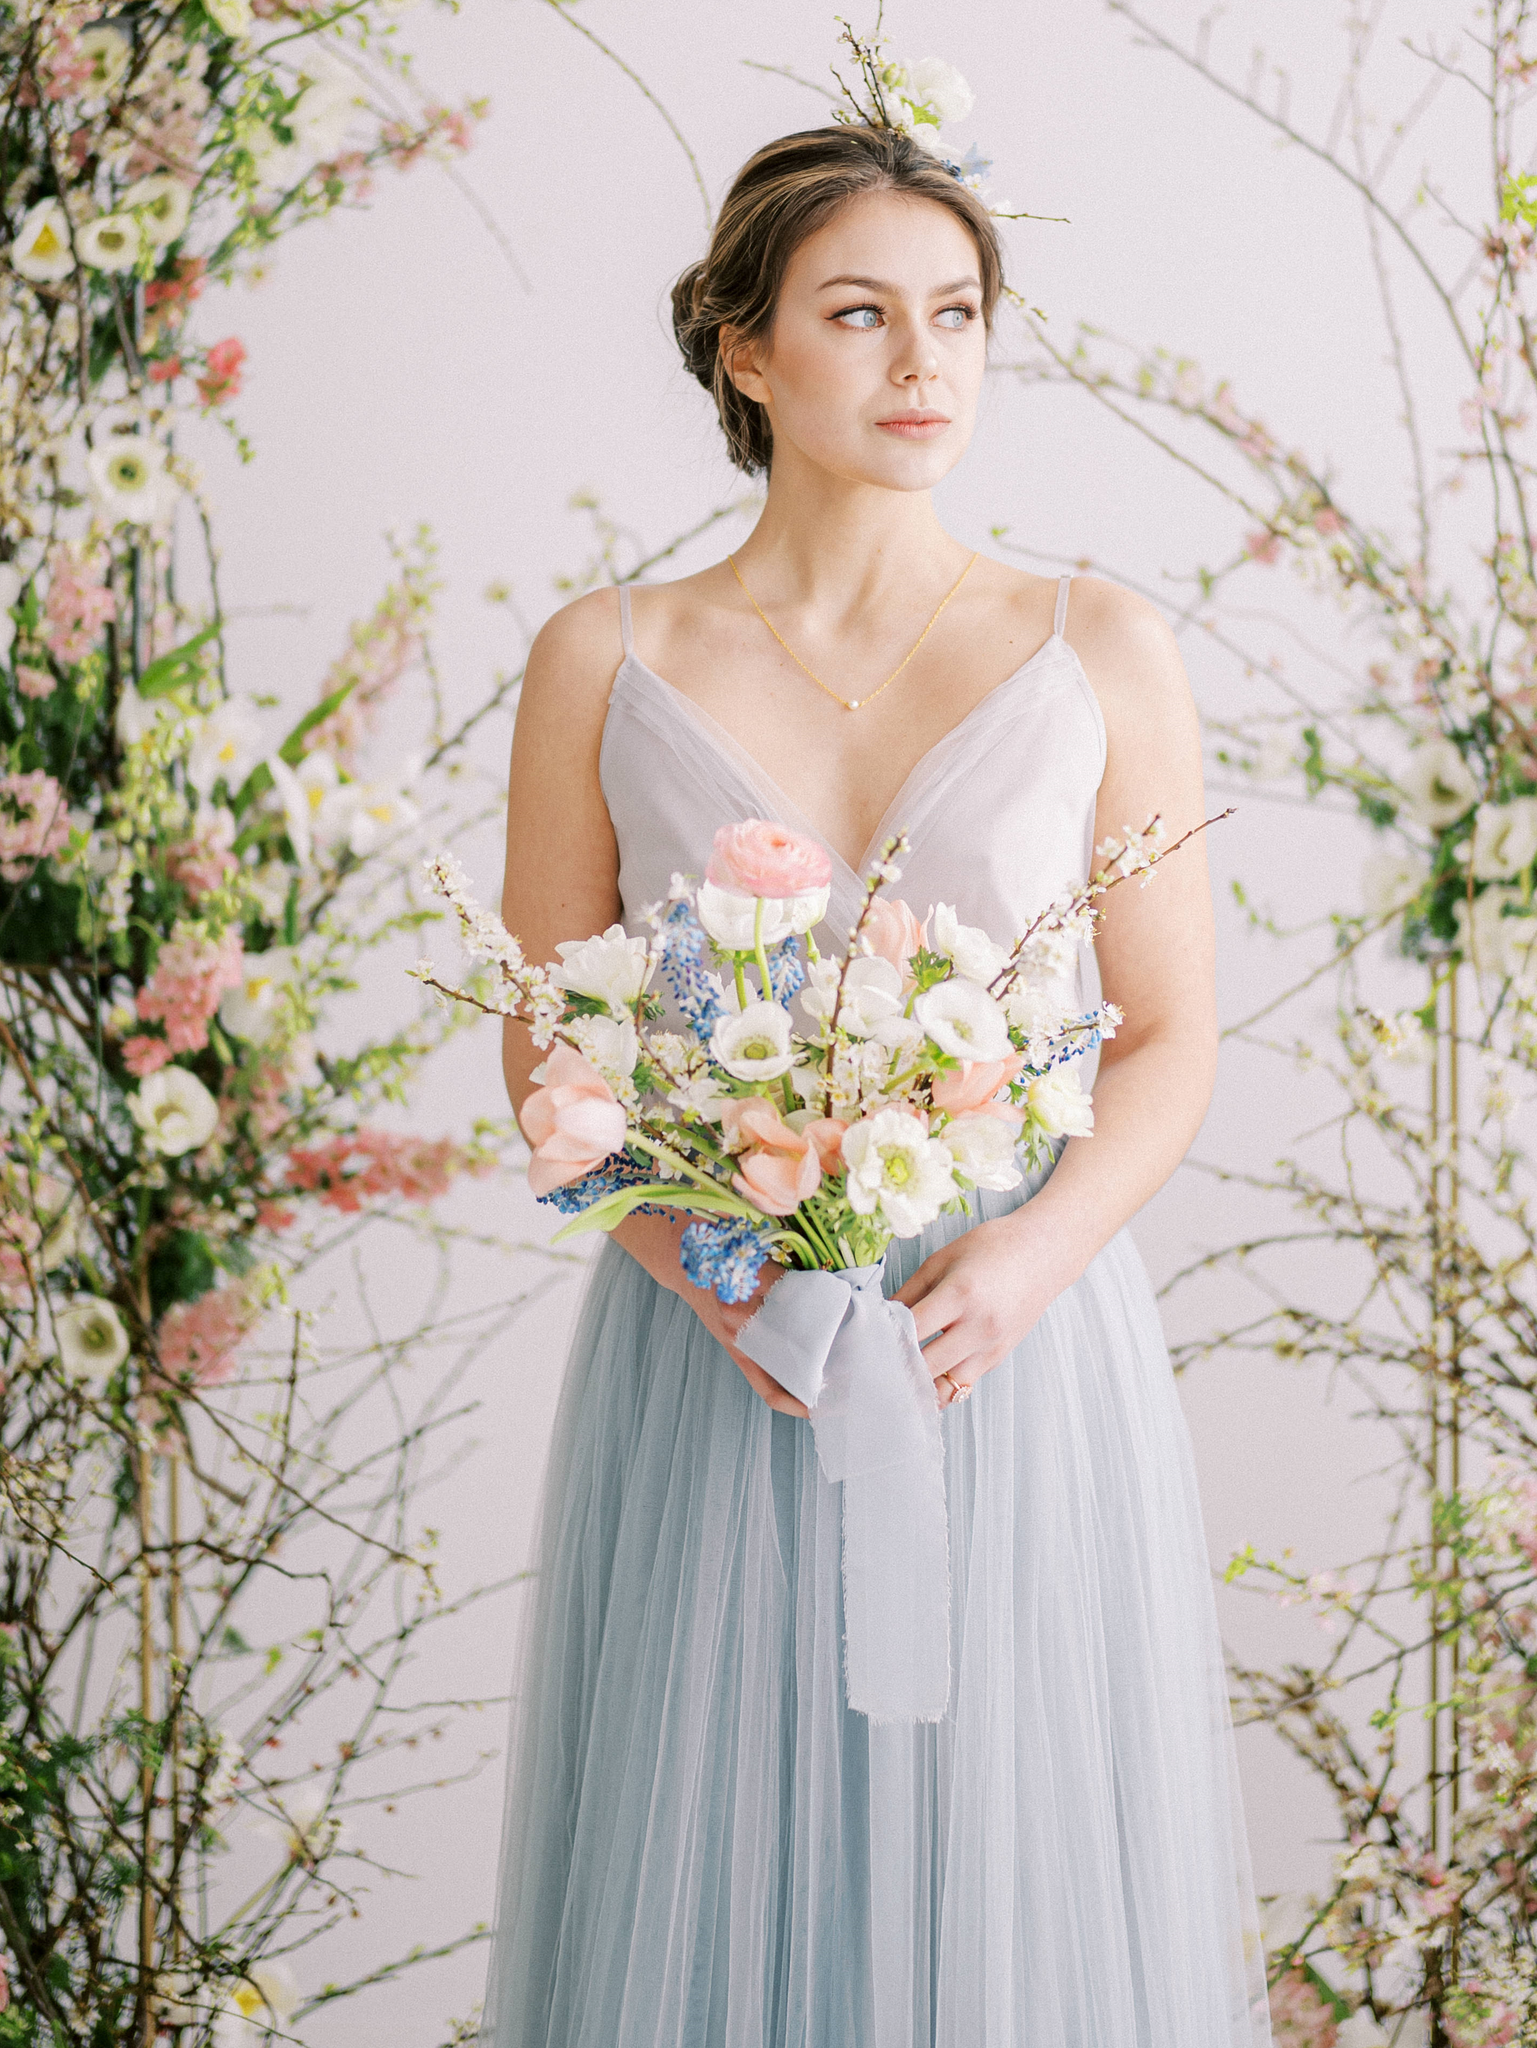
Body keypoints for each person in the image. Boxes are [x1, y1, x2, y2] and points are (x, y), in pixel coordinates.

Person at [481, 122, 1270, 2048]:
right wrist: (716, 1273)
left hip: (1010, 1346)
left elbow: (1169, 1035)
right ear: (745, 352)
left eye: (959, 316)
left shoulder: (1096, 645)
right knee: (715, 1862)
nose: (925, 364)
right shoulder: (609, 653)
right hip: (724, 1353)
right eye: (860, 314)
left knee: (1016, 1874)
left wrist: (1027, 1266)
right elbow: (548, 1041)